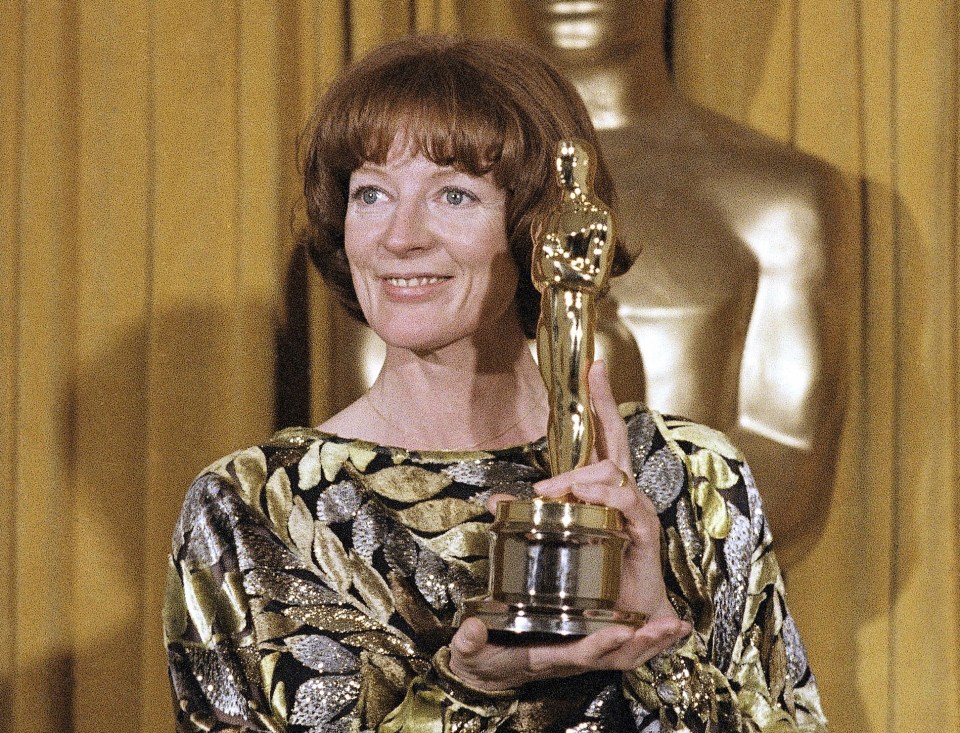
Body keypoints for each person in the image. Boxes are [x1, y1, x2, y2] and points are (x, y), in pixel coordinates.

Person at [164, 36, 827, 732]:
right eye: (371, 193)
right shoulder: (247, 511)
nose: (400, 236)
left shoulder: (690, 478)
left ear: (534, 229)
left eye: (453, 194)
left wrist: (660, 642)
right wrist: (467, 687)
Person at [512, 0, 850, 558]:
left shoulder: (778, 198)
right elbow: (372, 447)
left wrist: (620, 539)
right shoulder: (423, 199)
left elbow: (788, 470)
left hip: (691, 610)